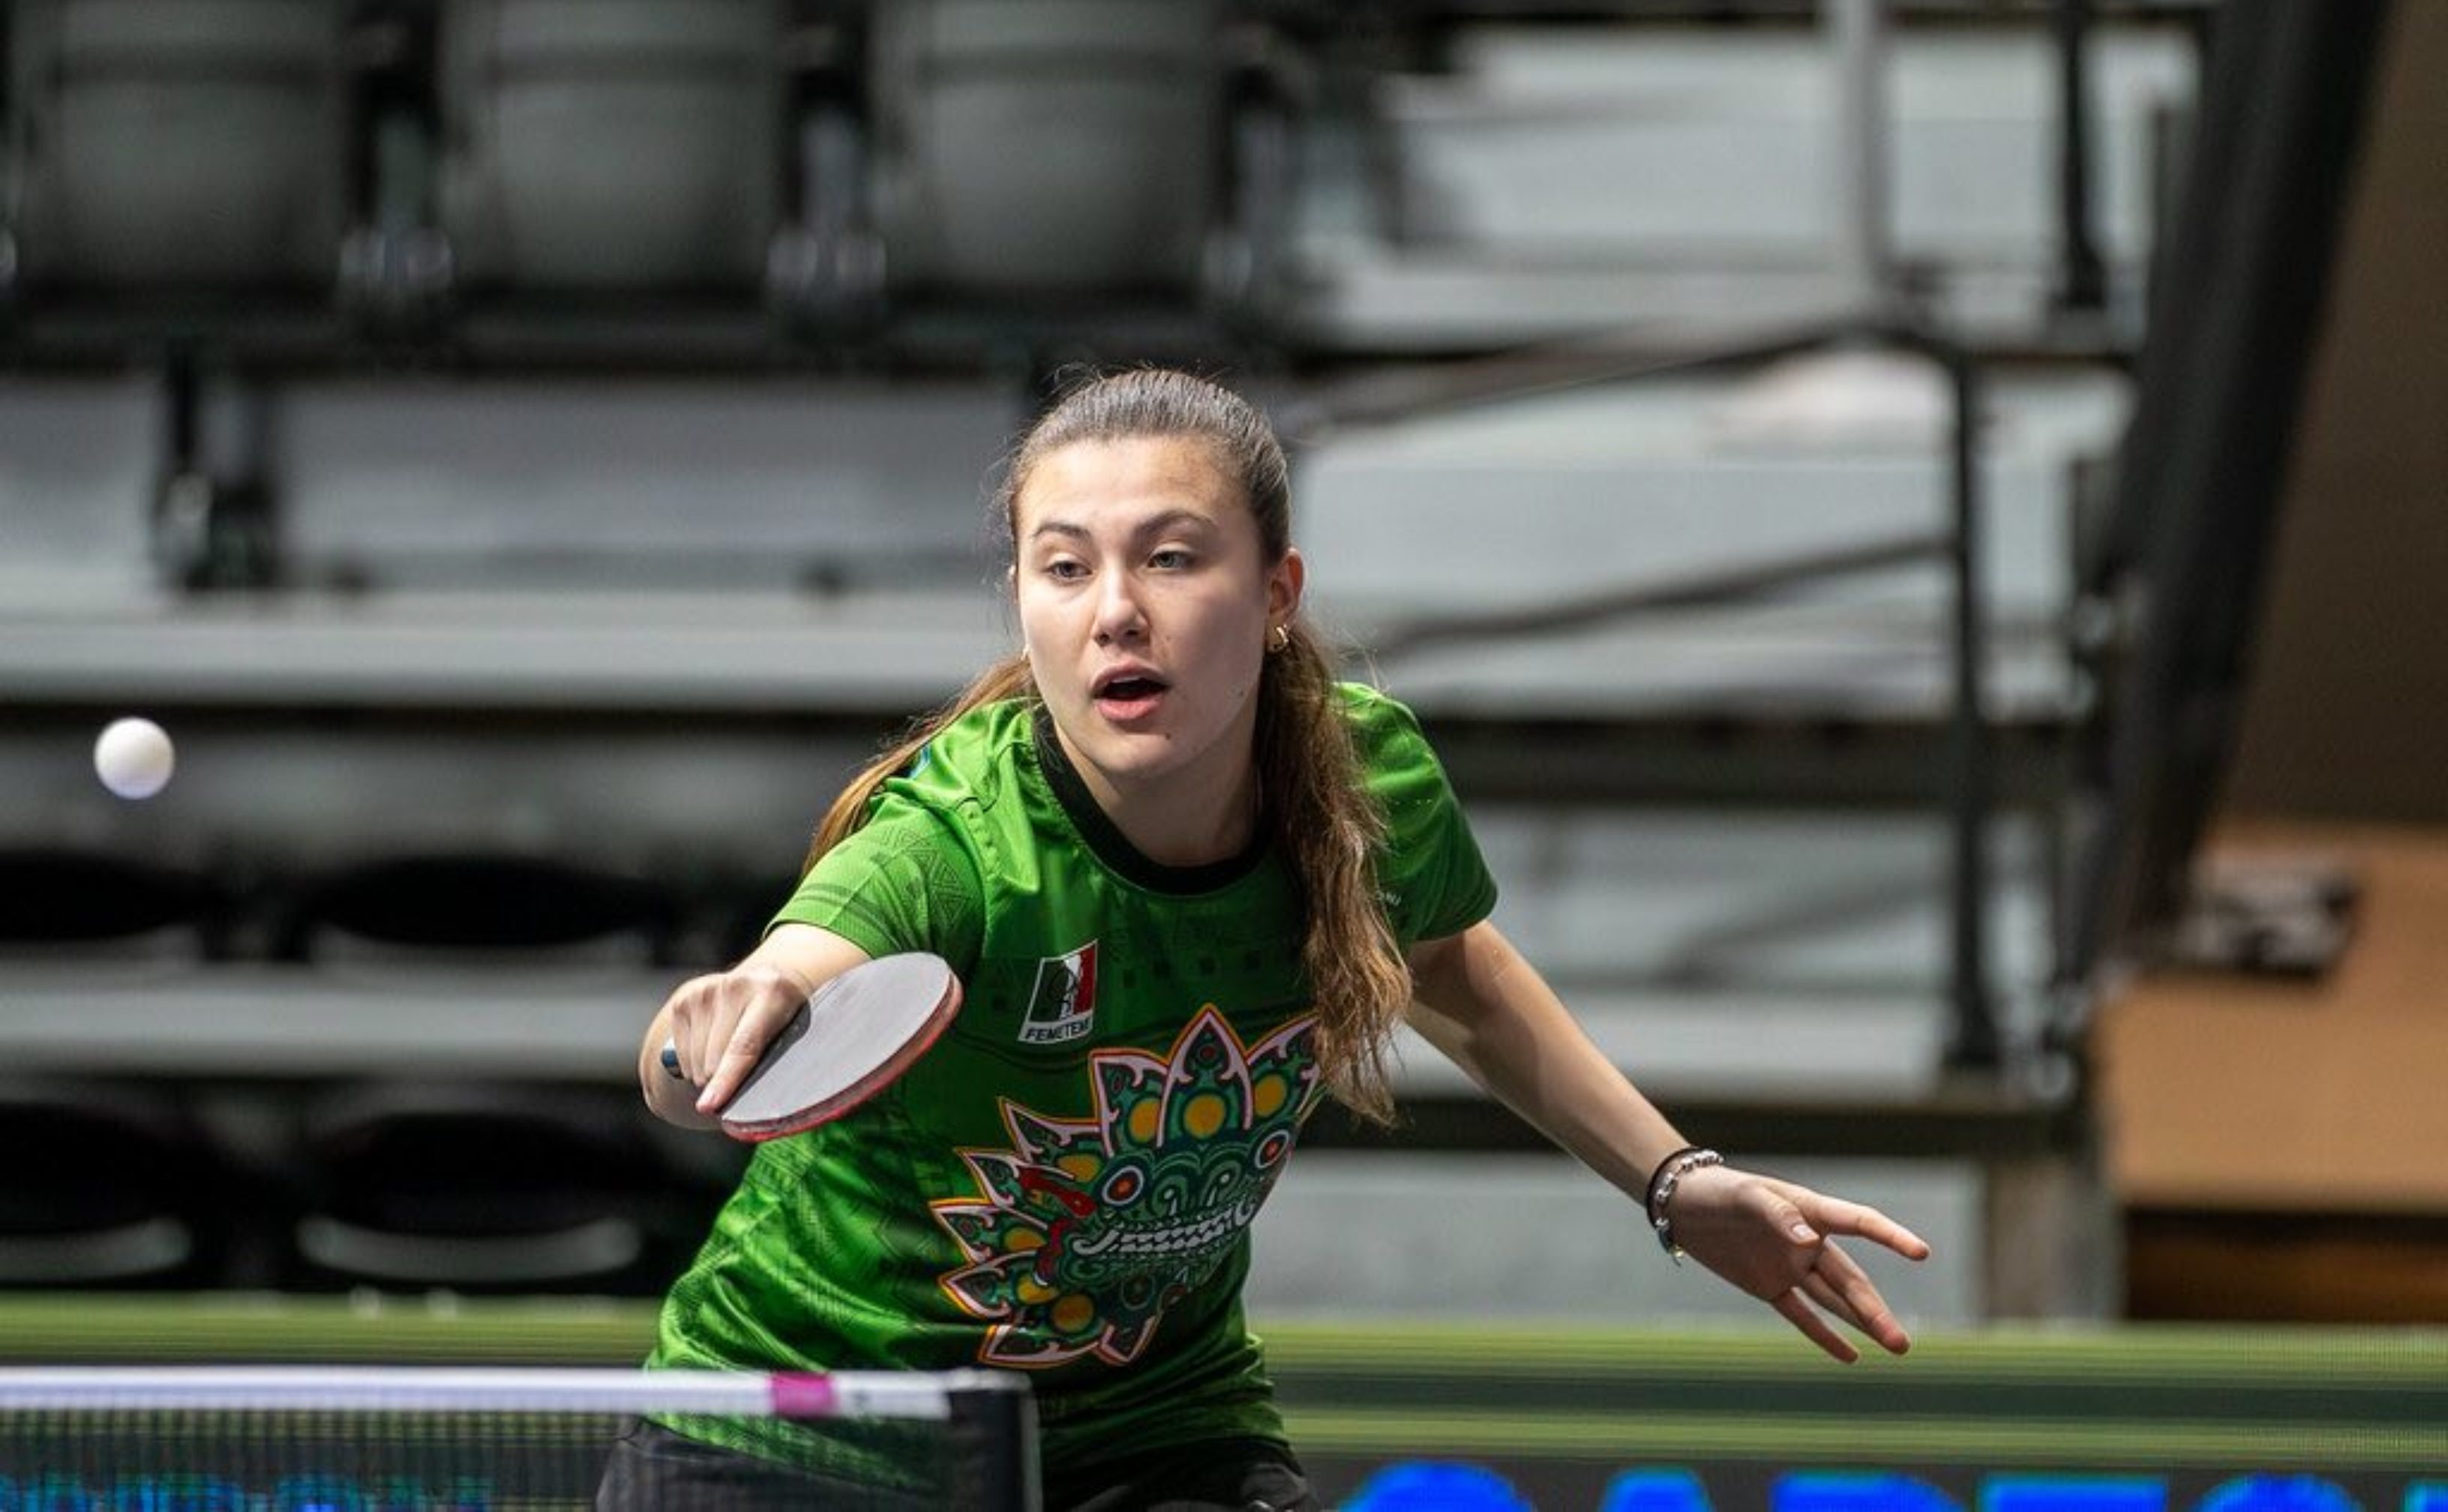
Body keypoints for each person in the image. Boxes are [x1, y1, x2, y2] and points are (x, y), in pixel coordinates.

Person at [604, 368, 1930, 1510]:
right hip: (810, 1434)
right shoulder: (954, 845)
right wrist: (711, 1026)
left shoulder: (1363, 790)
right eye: (1065, 568)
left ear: (1278, 590)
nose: (1114, 610)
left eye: (1171, 557)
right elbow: (772, 987)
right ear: (1022, 600)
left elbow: (1452, 966)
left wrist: (1673, 1181)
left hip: (1146, 1424)